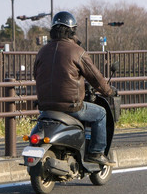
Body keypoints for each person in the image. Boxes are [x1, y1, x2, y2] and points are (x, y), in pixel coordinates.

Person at [33, 11, 117, 166]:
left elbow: (35, 75)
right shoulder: (77, 51)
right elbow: (95, 78)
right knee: (101, 113)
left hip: (45, 107)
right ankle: (96, 152)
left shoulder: (42, 52)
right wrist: (109, 91)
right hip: (71, 106)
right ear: (72, 31)